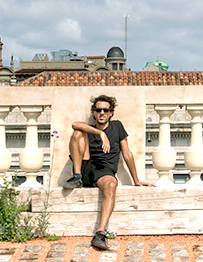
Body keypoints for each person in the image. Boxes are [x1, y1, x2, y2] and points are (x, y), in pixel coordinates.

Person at [63, 94, 150, 250]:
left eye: (105, 110)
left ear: (111, 113)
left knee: (111, 185)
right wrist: (100, 133)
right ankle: (77, 177)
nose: (102, 113)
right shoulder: (90, 129)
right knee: (77, 133)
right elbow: (75, 124)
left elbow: (127, 154)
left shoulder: (117, 126)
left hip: (105, 170)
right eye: (98, 110)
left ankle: (100, 234)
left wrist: (136, 180)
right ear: (94, 113)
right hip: (86, 167)